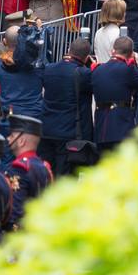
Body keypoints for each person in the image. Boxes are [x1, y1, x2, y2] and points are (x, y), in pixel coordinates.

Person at [40, 38, 94, 176]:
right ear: (86, 56)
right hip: (69, 133)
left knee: (47, 172)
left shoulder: (49, 69)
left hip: (47, 129)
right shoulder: (84, 73)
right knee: (64, 176)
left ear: (69, 50)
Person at [91, 36, 138, 150]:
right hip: (122, 126)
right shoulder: (128, 70)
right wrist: (136, 66)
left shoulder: (97, 70)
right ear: (131, 54)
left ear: (112, 51)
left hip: (101, 127)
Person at [5, 114, 53, 228]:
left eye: (11, 135)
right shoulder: (44, 166)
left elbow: (14, 213)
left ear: (21, 141)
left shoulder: (19, 168)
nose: (8, 138)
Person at [94, 0, 127, 64]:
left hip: (100, 69)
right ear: (119, 13)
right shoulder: (118, 34)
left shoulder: (98, 32)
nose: (125, 14)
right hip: (113, 71)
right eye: (124, 11)